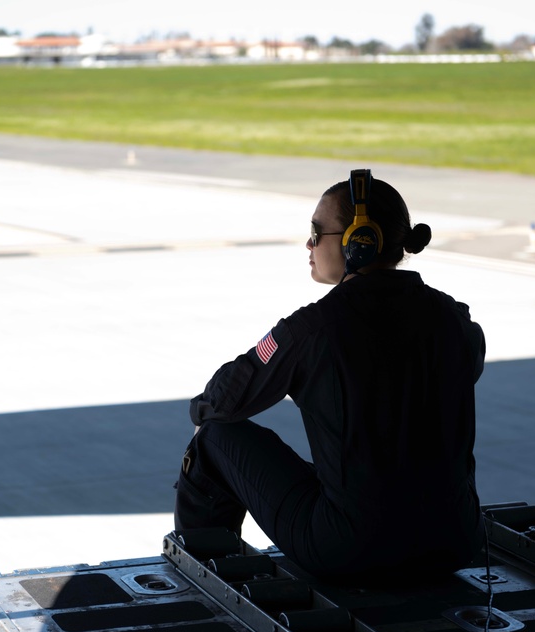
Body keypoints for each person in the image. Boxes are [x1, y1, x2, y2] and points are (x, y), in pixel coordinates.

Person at [174, 169, 486, 582]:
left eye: (316, 231)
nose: (309, 243)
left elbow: (227, 400)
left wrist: (199, 409)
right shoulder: (457, 321)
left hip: (348, 549)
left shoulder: (313, 328)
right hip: (455, 542)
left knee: (214, 438)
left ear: (360, 241)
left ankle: (205, 581)